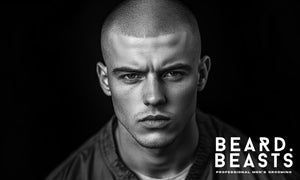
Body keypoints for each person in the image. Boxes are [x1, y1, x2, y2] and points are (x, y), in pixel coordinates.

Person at [46, 0, 300, 179]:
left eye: (172, 73)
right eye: (131, 76)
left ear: (201, 74)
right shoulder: (72, 175)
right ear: (105, 80)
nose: (154, 97)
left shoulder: (265, 173)